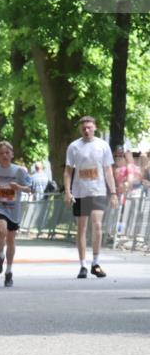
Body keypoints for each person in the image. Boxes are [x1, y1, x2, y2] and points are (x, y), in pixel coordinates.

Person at [63, 116, 117, 278]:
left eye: (89, 127)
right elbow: (68, 171)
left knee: (98, 226)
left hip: (98, 191)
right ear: (81, 129)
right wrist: (67, 191)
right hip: (80, 192)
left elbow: (108, 171)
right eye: (84, 128)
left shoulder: (102, 145)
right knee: (82, 229)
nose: (87, 130)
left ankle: (96, 262)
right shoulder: (74, 147)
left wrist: (113, 193)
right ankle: (83, 265)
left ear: (95, 128)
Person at [0, 141, 31, 287]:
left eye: (7, 153)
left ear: (12, 154)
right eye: (1, 153)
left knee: (11, 240)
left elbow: (30, 189)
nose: (4, 155)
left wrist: (18, 187)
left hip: (14, 208)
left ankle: (9, 272)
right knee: (2, 230)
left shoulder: (20, 171)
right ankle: (0, 255)